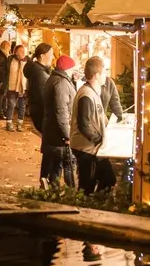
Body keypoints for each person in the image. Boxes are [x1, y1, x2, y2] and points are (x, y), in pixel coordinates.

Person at [70, 56, 117, 193]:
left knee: (106, 179)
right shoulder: (87, 94)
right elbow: (84, 124)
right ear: (97, 75)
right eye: (104, 73)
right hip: (87, 148)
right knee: (88, 185)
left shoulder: (90, 92)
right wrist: (98, 139)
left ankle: (94, 204)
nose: (106, 77)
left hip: (91, 148)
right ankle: (88, 207)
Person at [41, 54, 77, 188]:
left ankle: (50, 191)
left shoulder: (54, 79)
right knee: (63, 166)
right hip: (58, 135)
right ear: (68, 68)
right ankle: (69, 195)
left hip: (51, 131)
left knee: (53, 166)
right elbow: (61, 111)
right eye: (73, 68)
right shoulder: (62, 83)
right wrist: (67, 134)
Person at [25, 43, 54, 134]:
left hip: (36, 109)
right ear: (42, 56)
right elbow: (42, 96)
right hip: (41, 112)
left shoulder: (38, 70)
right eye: (50, 54)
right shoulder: (40, 73)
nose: (52, 57)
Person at [5, 43, 28, 132]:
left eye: (23, 51)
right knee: (11, 104)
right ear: (16, 52)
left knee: (22, 106)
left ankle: (19, 124)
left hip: (23, 86)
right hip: (12, 86)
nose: (22, 53)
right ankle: (9, 122)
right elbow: (5, 71)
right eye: (20, 51)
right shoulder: (10, 60)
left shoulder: (27, 61)